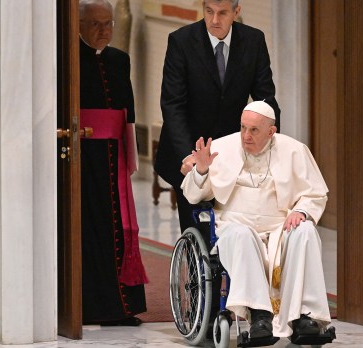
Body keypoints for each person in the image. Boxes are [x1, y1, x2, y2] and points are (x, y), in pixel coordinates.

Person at [181, 101, 331, 338]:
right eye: (243, 128)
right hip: (235, 224)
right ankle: (260, 316)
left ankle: (304, 317)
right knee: (242, 234)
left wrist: (301, 211)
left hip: (280, 227)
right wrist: (200, 170)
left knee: (306, 231)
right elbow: (193, 194)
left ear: (271, 132)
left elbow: (315, 193)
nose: (246, 136)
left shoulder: (294, 150)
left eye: (254, 130)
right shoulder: (222, 148)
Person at [155, 0, 280, 233]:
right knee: (198, 231)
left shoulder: (253, 41)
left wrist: (271, 146)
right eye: (209, 12)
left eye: (222, 13)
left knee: (234, 230)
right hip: (189, 150)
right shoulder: (181, 41)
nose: (214, 20)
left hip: (233, 152)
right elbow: (173, 105)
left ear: (236, 12)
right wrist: (188, 156)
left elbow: (266, 100)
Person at [79, 0, 147, 326]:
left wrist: (130, 156)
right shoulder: (68, 59)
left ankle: (120, 307)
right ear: (78, 25)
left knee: (119, 228)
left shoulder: (120, 59)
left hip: (113, 157)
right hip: (82, 159)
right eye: (96, 24)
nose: (105, 30)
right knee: (89, 230)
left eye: (109, 24)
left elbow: (128, 113)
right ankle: (89, 307)